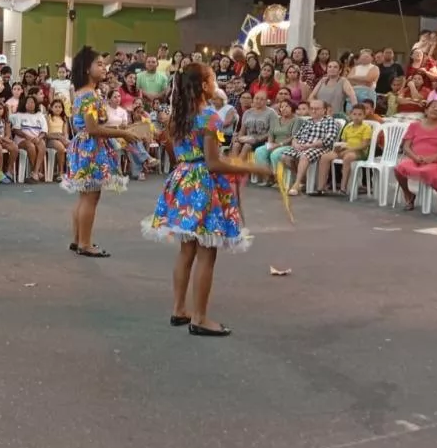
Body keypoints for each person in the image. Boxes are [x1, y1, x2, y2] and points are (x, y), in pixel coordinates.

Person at [141, 62, 270, 337]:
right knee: (206, 254)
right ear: (202, 85)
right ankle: (199, 317)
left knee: (186, 250)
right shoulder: (210, 117)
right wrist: (250, 167)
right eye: (211, 79)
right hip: (203, 184)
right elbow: (212, 162)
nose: (214, 83)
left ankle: (179, 309)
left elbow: (183, 154)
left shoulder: (178, 117)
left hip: (182, 180)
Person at [62, 46, 141, 258]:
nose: (104, 67)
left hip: (83, 145)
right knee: (91, 197)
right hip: (90, 147)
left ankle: (79, 239)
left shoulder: (83, 93)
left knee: (84, 196)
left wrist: (119, 130)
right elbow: (93, 128)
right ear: (86, 69)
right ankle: (85, 244)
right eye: (99, 64)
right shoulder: (89, 95)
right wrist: (122, 134)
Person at [394, 100, 437, 214]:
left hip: (436, 161)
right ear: (426, 110)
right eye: (433, 107)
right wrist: (414, 157)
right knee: (399, 168)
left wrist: (432, 158)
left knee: (428, 170)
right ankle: (408, 194)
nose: (436, 109)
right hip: (416, 159)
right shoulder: (414, 126)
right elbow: (406, 147)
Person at [280, 99, 340, 196]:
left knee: (304, 156)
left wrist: (310, 145)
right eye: (311, 108)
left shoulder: (330, 121)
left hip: (319, 149)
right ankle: (304, 180)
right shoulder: (308, 121)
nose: (313, 111)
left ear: (324, 110)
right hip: (302, 146)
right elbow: (296, 137)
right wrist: (295, 144)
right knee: (285, 157)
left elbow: (329, 139)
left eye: (316, 109)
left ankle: (297, 184)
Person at [312, 104, 372, 196]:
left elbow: (364, 145)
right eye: (354, 114)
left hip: (359, 152)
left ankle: (343, 188)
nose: (357, 117)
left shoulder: (366, 127)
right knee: (325, 157)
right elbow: (343, 141)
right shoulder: (348, 127)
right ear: (350, 115)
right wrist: (339, 147)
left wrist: (349, 149)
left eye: (360, 115)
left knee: (348, 157)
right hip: (346, 149)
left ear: (364, 116)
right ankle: (321, 188)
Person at [253, 99, 301, 186]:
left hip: (288, 145)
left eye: (287, 106)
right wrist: (270, 144)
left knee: (275, 154)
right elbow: (271, 134)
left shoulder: (297, 120)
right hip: (275, 144)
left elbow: (294, 137)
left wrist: (278, 145)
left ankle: (278, 179)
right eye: (282, 107)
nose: (284, 108)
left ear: (292, 108)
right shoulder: (276, 120)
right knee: (259, 151)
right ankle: (268, 178)